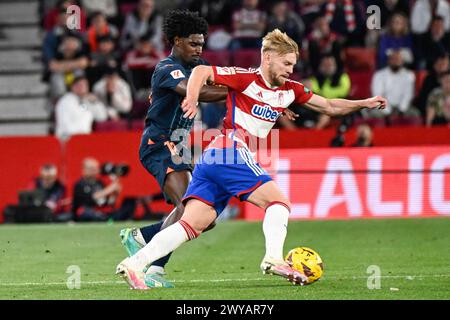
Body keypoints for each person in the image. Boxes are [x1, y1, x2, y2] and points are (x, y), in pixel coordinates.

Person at [116, 29, 387, 289]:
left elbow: (328, 105)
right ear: (267, 57)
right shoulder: (245, 78)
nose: (291, 69)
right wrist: (191, 97)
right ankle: (273, 259)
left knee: (191, 223)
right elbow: (200, 71)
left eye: (293, 64)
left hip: (214, 159)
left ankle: (134, 264)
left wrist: (362, 103)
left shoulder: (289, 90)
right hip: (229, 150)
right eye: (286, 63)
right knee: (278, 202)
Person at [117, 10, 228, 289]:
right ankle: (152, 268)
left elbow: (222, 81)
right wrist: (242, 91)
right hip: (160, 142)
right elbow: (198, 93)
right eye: (193, 43)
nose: (199, 49)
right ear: (176, 41)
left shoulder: (198, 66)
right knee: (190, 209)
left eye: (202, 44)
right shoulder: (167, 69)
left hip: (179, 144)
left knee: (206, 218)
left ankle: (141, 237)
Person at [55, 73, 108, 141]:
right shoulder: (65, 101)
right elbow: (65, 125)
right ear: (73, 87)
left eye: (85, 85)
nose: (83, 88)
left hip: (84, 139)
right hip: (67, 139)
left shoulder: (88, 101)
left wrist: (95, 103)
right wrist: (79, 135)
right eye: (80, 85)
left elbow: (102, 117)